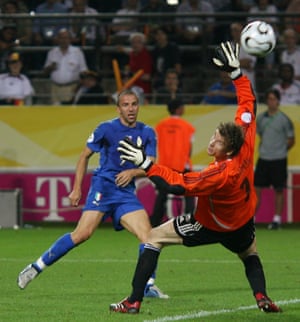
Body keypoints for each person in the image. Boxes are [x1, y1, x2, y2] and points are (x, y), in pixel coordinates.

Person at [110, 41, 282, 314]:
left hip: (210, 225)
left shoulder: (218, 173)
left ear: (227, 148)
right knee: (250, 254)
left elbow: (178, 185)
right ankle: (262, 298)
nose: (211, 140)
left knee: (153, 238)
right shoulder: (244, 141)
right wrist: (236, 73)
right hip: (241, 223)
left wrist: (146, 163)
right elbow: (249, 103)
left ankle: (133, 301)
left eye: (216, 140)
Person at [17, 89, 168, 299]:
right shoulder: (106, 129)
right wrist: (77, 187)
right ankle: (35, 267)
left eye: (134, 104)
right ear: (118, 108)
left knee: (149, 236)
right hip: (103, 189)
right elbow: (84, 156)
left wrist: (133, 171)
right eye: (126, 105)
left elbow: (151, 165)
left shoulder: (147, 132)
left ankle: (148, 285)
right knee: (82, 234)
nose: (131, 109)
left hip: (125, 193)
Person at [150, 98, 195, 227]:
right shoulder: (188, 127)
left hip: (164, 166)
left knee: (162, 195)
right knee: (189, 193)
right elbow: (189, 148)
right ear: (178, 109)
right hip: (182, 165)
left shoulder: (159, 126)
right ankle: (188, 222)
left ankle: (155, 223)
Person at [254, 89, 295, 230]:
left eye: (273, 99)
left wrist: (281, 150)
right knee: (256, 189)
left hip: (279, 159)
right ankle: (251, 219)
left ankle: (276, 220)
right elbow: (259, 133)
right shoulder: (260, 118)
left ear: (278, 101)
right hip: (263, 158)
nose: (271, 101)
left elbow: (291, 139)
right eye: (269, 99)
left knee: (278, 189)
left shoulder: (284, 119)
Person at [43, 28, 88, 105]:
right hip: (55, 89)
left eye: (66, 38)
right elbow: (45, 72)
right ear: (58, 39)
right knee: (56, 114)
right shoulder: (52, 52)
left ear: (70, 39)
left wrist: (78, 88)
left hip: (72, 88)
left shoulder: (77, 52)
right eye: (61, 38)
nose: (64, 40)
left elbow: (84, 71)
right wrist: (50, 67)